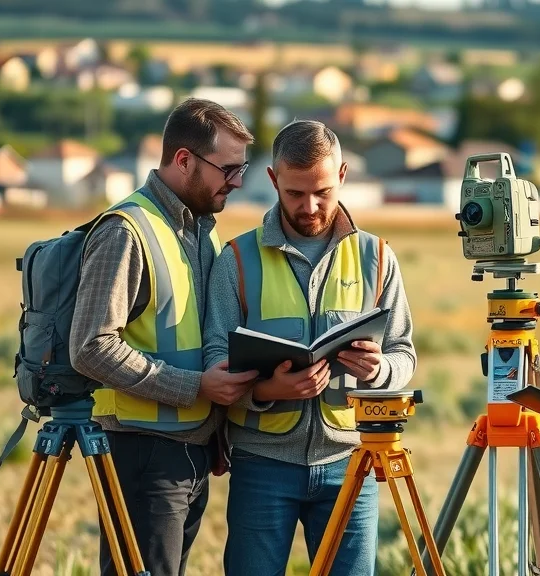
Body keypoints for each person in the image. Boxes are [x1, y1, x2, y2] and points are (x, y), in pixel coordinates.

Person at [203, 119, 417, 576]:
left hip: (351, 465)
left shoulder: (377, 258)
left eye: (321, 191)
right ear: (273, 180)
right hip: (261, 464)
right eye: (295, 194)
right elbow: (213, 361)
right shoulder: (236, 260)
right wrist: (266, 391)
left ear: (342, 175)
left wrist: (379, 371)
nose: (310, 206)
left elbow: (404, 355)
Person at [69, 98, 260, 576]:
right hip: (141, 452)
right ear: (183, 161)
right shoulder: (126, 231)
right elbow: (90, 347)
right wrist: (195, 388)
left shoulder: (202, 233)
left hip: (189, 450)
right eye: (229, 169)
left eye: (243, 168)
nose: (237, 182)